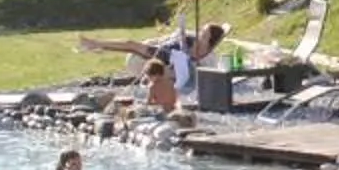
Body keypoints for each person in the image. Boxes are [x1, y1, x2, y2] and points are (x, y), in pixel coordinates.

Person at [79, 22, 228, 111]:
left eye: (204, 32)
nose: (200, 32)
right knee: (132, 45)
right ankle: (95, 44)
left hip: (172, 67)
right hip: (165, 54)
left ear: (209, 39)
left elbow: (201, 75)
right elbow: (169, 47)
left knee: (133, 47)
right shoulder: (191, 41)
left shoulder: (208, 56)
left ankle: (95, 45)